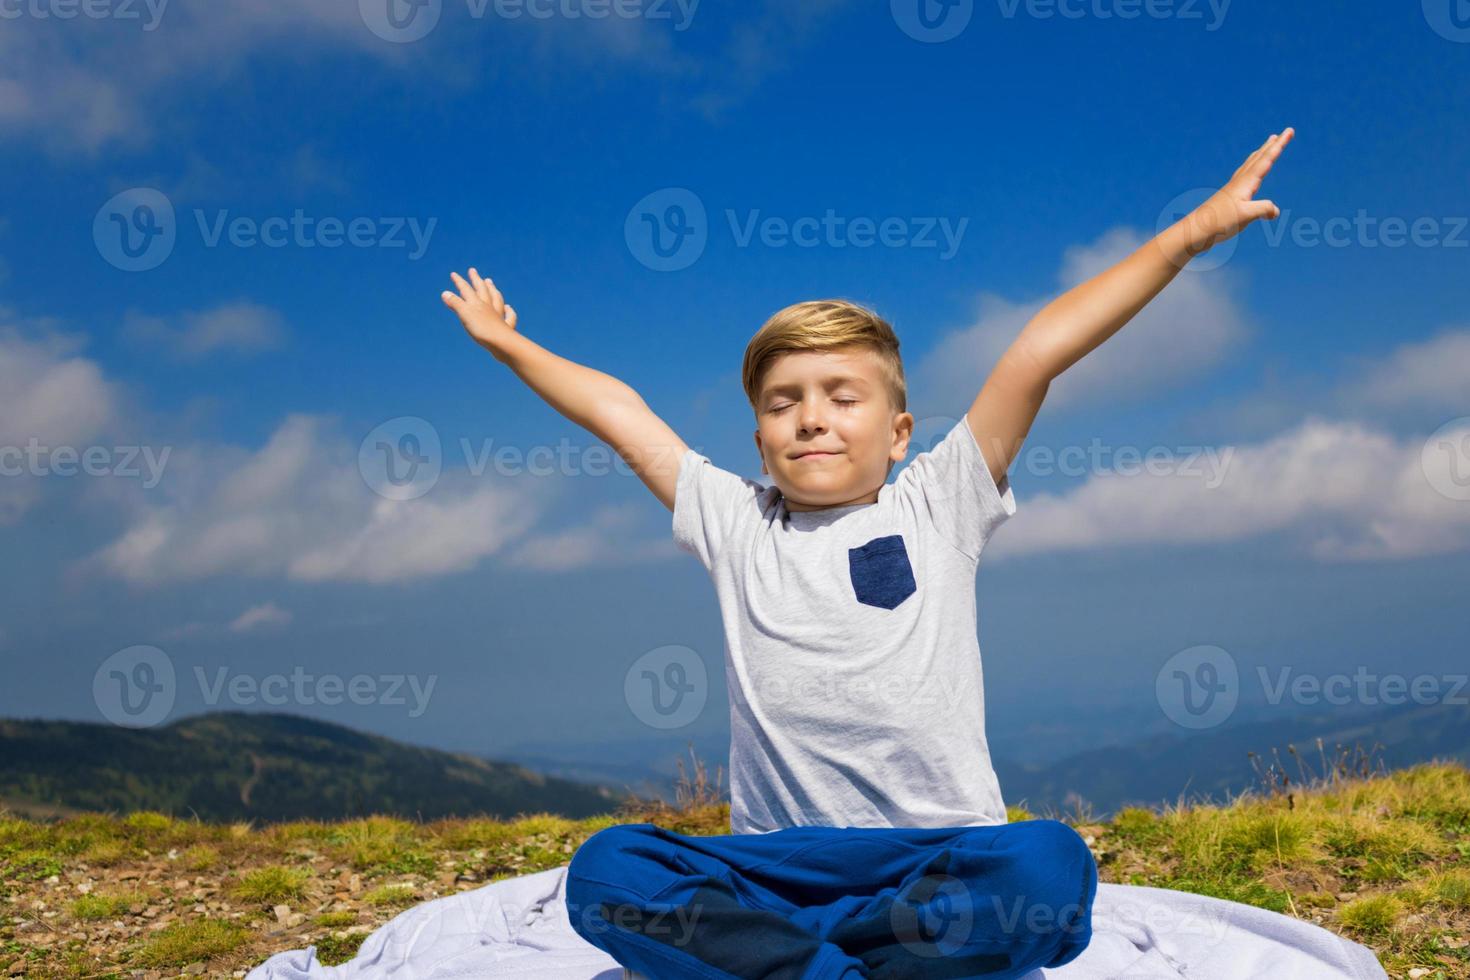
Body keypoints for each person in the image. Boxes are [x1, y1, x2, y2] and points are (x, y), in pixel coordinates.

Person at [440, 129, 1295, 979]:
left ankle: (799, 970)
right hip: (772, 874)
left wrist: (1186, 238)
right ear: (760, 437)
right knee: (606, 873)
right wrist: (510, 343)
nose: (810, 417)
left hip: (933, 865)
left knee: (1047, 866)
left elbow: (1038, 351)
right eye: (783, 404)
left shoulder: (939, 502)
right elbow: (617, 412)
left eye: (840, 396)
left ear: (898, 434)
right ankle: (841, 971)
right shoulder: (736, 522)